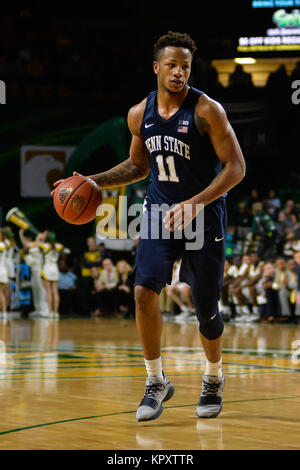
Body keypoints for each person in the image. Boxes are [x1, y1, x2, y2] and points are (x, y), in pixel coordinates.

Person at [52, 31, 245, 421]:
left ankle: (212, 378)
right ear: (157, 67)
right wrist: (93, 181)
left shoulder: (208, 111)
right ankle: (156, 381)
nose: (178, 73)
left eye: (185, 66)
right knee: (142, 291)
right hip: (158, 212)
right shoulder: (140, 114)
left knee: (205, 306)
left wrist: (194, 204)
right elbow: (139, 166)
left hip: (203, 216)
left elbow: (236, 167)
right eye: (171, 65)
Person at [19, 229, 50, 318]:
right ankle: (38, 309)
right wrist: (21, 235)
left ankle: (45, 309)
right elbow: (26, 244)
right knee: (35, 290)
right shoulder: (35, 244)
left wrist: (38, 238)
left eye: (45, 234)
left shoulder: (45, 246)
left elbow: (37, 245)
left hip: (40, 270)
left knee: (41, 290)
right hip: (33, 270)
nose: (42, 235)